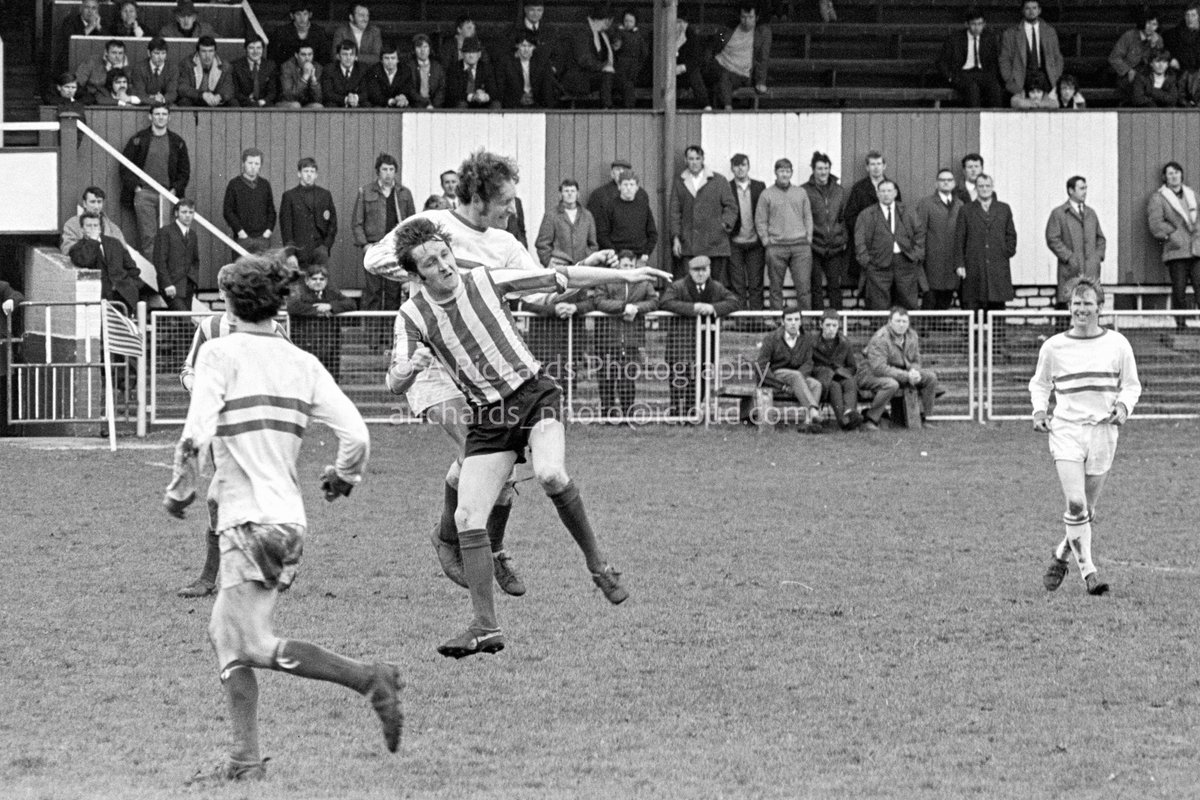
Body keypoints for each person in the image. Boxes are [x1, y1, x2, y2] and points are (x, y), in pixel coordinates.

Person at [383, 216, 670, 657]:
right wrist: (409, 368)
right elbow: (394, 382)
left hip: (534, 395)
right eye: (431, 263)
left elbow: (560, 277)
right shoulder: (412, 316)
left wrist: (627, 276)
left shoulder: (485, 279)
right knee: (467, 518)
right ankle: (485, 626)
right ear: (415, 275)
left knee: (551, 473)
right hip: (489, 416)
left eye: (444, 254)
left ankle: (599, 567)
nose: (444, 265)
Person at [164, 253, 401, 785]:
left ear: (229, 306)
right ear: (278, 306)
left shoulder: (219, 353)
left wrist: (180, 488)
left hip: (247, 521)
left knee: (250, 643)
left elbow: (196, 429)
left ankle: (369, 678)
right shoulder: (302, 362)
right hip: (288, 520)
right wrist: (344, 476)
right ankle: (244, 760)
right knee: (225, 635)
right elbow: (357, 435)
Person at [364, 151, 548, 604]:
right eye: (505, 200)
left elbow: (539, 290)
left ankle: (455, 538)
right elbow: (374, 259)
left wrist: (588, 274)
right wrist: (436, 270)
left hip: (480, 370)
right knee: (479, 454)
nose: (512, 208)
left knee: (494, 464)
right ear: (479, 197)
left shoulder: (506, 243)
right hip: (430, 363)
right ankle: (476, 549)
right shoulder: (431, 225)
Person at [176, 264, 292, 599]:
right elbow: (188, 369)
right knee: (228, 501)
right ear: (221, 293)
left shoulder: (271, 329)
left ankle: (213, 577)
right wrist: (198, 386)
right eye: (229, 292)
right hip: (223, 431)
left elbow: (291, 370)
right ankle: (269, 567)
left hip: (261, 428)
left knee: (224, 497)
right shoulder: (210, 327)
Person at [1030, 276, 1141, 597]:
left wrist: (1123, 407)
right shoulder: (1053, 346)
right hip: (1066, 430)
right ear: (1069, 307)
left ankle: (1061, 555)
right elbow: (1040, 384)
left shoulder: (1117, 344)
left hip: (1103, 432)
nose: (1082, 309)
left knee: (1086, 511)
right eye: (1076, 303)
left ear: (1100, 307)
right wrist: (1039, 411)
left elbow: (1131, 385)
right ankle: (1090, 574)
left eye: (1088, 303)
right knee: (1076, 503)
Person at [659, 255, 740, 418]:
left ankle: (692, 413)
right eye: (696, 270)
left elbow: (734, 301)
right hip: (680, 342)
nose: (700, 274)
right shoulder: (678, 286)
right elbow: (665, 302)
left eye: (704, 270)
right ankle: (676, 413)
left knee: (701, 378)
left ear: (709, 270)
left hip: (705, 343)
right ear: (690, 271)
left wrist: (713, 308)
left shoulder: (716, 287)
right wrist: (693, 308)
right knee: (678, 378)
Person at [353, 152, 415, 332]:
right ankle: (372, 338)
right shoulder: (366, 192)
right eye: (384, 169)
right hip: (374, 247)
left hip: (396, 249)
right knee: (373, 292)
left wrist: (407, 247)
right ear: (377, 171)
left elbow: (412, 222)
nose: (388, 173)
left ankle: (389, 337)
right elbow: (357, 222)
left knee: (393, 293)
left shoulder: (404, 194)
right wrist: (365, 245)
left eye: (391, 169)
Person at [592, 249, 658, 418]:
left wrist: (636, 308)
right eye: (625, 265)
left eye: (631, 265)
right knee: (607, 377)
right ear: (618, 266)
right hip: (608, 338)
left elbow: (654, 301)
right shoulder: (606, 280)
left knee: (628, 378)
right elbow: (599, 301)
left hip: (631, 339)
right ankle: (607, 414)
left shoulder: (643, 282)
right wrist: (622, 308)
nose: (628, 269)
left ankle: (628, 414)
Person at [120, 103, 190, 259]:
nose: (160, 117)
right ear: (150, 117)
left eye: (164, 114)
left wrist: (174, 190)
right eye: (157, 114)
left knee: (170, 238)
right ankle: (153, 273)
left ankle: (167, 272)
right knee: (148, 238)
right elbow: (124, 167)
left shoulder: (177, 142)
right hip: (144, 194)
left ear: (169, 117)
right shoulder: (138, 139)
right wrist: (137, 188)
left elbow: (184, 172)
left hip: (168, 195)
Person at [861, 306, 940, 429]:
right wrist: (907, 376)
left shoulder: (912, 335)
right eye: (898, 321)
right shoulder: (880, 338)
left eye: (904, 321)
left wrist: (914, 371)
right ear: (890, 322)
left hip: (901, 372)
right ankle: (870, 419)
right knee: (891, 384)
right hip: (871, 374)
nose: (901, 325)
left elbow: (916, 360)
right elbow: (879, 368)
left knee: (931, 377)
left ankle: (923, 417)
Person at [669, 144, 737, 281]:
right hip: (689, 243)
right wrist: (676, 238)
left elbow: (731, 206)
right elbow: (675, 212)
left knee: (715, 285)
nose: (694, 162)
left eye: (697, 158)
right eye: (691, 159)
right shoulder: (680, 182)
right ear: (685, 160)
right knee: (690, 283)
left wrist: (724, 225)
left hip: (715, 244)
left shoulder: (719, 180)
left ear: (703, 159)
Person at [854, 179, 924, 311]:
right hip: (877, 265)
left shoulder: (908, 211)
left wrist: (916, 255)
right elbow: (859, 240)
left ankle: (906, 325)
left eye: (889, 191)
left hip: (905, 262)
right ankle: (880, 326)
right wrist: (866, 261)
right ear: (877, 194)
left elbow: (920, 233)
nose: (886, 194)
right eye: (882, 191)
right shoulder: (866, 214)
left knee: (908, 303)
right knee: (878, 305)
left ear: (895, 193)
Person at [1146, 160, 1200, 328]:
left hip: (1196, 249)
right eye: (1170, 173)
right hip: (1176, 252)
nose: (1174, 176)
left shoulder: (1192, 195)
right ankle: (1181, 326)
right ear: (1165, 177)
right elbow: (1156, 224)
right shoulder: (1158, 198)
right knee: (1179, 290)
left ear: (1181, 175)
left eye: (1176, 172)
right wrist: (1173, 234)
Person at [756, 157, 815, 312]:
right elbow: (760, 220)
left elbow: (808, 216)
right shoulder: (766, 194)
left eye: (787, 171)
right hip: (776, 247)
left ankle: (806, 321)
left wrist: (808, 238)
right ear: (775, 172)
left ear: (791, 173)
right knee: (775, 288)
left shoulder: (800, 192)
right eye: (781, 171)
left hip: (800, 247)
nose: (784, 174)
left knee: (804, 288)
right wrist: (766, 241)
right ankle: (777, 320)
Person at [756, 305, 825, 432]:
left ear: (801, 321)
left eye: (796, 319)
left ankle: (808, 423)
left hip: (798, 377)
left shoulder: (807, 338)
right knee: (795, 376)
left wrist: (799, 380)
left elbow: (809, 362)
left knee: (816, 384)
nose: (793, 323)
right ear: (782, 322)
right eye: (789, 320)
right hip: (776, 376)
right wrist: (781, 385)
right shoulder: (771, 338)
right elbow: (761, 366)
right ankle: (813, 411)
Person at [954, 173, 1016, 312]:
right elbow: (959, 239)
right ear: (976, 188)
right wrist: (960, 264)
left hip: (998, 267)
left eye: (987, 186)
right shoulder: (966, 210)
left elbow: (1011, 234)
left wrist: (1006, 252)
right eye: (981, 186)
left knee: (997, 311)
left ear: (992, 187)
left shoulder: (1003, 208)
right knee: (974, 308)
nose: (984, 189)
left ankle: (996, 329)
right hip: (974, 266)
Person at [1045, 176, 1106, 319]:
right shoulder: (1059, 213)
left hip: (1090, 271)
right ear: (1071, 190)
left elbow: (1100, 238)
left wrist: (1097, 257)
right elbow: (1052, 238)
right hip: (1070, 271)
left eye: (1086, 188)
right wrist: (1068, 257)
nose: (1085, 192)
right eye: (1081, 188)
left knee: (1091, 307)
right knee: (1065, 308)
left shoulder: (1091, 213)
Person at [843, 151, 902, 292]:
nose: (876, 167)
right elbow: (850, 216)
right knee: (868, 289)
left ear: (884, 166)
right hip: (867, 245)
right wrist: (866, 233)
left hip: (888, 247)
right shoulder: (859, 189)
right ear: (867, 167)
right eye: (872, 164)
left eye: (879, 164)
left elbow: (899, 215)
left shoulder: (892, 187)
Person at [287, 264, 355, 381]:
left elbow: (351, 304)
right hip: (305, 345)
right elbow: (292, 306)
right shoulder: (300, 293)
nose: (318, 282)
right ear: (307, 281)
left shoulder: (332, 293)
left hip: (329, 347)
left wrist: (330, 306)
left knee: (329, 380)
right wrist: (318, 310)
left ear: (326, 281)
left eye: (321, 279)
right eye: (314, 279)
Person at [68, 212, 146, 314]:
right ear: (82, 229)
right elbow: (86, 260)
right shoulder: (76, 248)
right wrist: (93, 241)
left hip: (124, 295)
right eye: (89, 226)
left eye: (95, 225)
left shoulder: (114, 243)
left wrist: (133, 286)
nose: (93, 228)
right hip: (99, 297)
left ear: (100, 227)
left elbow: (132, 268)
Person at [802, 151, 848, 311]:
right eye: (820, 168)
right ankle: (818, 319)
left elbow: (843, 217)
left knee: (835, 286)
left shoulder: (839, 190)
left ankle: (837, 319)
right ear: (813, 169)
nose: (823, 172)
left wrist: (843, 238)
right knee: (815, 286)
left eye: (826, 168)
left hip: (834, 246)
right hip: (813, 245)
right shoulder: (804, 190)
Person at [914, 168, 965, 310]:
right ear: (936, 183)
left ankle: (940, 323)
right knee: (930, 299)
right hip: (932, 261)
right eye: (942, 180)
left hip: (952, 261)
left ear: (954, 184)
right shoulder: (926, 203)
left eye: (949, 180)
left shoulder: (960, 205)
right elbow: (920, 232)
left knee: (945, 300)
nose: (946, 183)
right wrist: (920, 256)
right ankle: (925, 325)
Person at [937, 7, 1003, 108]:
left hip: (983, 74)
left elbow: (994, 61)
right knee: (972, 89)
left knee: (995, 87)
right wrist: (950, 78)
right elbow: (941, 62)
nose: (977, 27)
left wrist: (991, 76)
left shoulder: (990, 38)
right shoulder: (954, 39)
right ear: (966, 24)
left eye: (980, 24)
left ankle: (996, 117)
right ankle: (974, 117)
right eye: (973, 24)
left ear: (984, 24)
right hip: (962, 74)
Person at [710, 4, 771, 110]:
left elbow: (762, 58)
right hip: (719, 64)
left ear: (756, 18)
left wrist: (760, 81)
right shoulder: (729, 28)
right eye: (743, 17)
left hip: (741, 73)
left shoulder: (762, 33)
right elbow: (718, 40)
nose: (746, 21)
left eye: (750, 17)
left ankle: (727, 108)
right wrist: (720, 35)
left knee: (724, 78)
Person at [999, 0, 1063, 100]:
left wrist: (1056, 77)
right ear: (1023, 11)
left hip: (1045, 76)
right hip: (1021, 77)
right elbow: (1004, 60)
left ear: (1039, 10)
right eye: (1028, 8)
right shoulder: (1010, 34)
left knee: (1050, 104)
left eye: (1034, 8)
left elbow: (1057, 57)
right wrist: (1009, 79)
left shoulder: (1050, 32)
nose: (1031, 11)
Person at [280, 157, 337, 266]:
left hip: (320, 251)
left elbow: (332, 224)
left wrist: (325, 246)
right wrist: (290, 254)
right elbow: (286, 228)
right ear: (299, 174)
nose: (309, 174)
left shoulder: (325, 195)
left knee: (320, 277)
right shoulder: (289, 196)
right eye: (306, 171)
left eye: (312, 171)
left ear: (316, 175)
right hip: (298, 252)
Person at [812, 308, 863, 431]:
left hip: (842, 376)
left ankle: (849, 413)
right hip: (823, 379)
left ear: (838, 326)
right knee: (834, 386)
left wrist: (841, 372)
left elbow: (852, 367)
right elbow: (809, 365)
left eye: (834, 325)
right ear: (821, 325)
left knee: (850, 382)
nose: (831, 329)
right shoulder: (812, 343)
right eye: (828, 325)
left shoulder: (844, 342)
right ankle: (843, 421)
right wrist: (827, 372)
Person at [727, 154, 766, 313]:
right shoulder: (727, 187)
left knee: (756, 283)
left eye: (743, 165)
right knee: (737, 284)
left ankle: (756, 319)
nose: (740, 169)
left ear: (748, 167)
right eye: (736, 165)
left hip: (755, 242)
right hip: (735, 242)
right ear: (732, 168)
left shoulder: (759, 186)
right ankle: (740, 319)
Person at [561, 4, 617, 108]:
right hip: (577, 78)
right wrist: (603, 67)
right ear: (607, 20)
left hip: (589, 76)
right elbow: (583, 59)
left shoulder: (599, 33)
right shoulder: (582, 31)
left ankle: (609, 106)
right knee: (607, 75)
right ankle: (607, 107)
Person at [594, 169, 656, 264]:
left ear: (637, 187)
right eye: (625, 184)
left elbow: (653, 234)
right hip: (616, 258)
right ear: (619, 186)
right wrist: (615, 253)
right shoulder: (609, 207)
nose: (628, 188)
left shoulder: (644, 207)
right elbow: (602, 234)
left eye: (632, 184)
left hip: (639, 258)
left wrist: (646, 253)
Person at [223, 148, 277, 256]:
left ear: (260, 165)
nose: (253, 167)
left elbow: (271, 211)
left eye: (257, 163)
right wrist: (240, 232)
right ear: (243, 163)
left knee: (262, 267)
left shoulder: (265, 185)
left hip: (262, 240)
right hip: (242, 239)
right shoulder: (234, 184)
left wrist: (268, 232)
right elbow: (228, 211)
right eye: (250, 163)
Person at [536, 179, 597, 268]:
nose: (570, 194)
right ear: (560, 194)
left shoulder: (587, 216)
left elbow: (593, 244)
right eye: (566, 191)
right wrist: (548, 262)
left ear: (578, 194)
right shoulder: (552, 215)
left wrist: (587, 261)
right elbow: (542, 243)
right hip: (559, 266)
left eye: (573, 191)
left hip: (582, 267)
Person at [153, 198, 200, 312]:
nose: (187, 215)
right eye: (184, 212)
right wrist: (167, 284)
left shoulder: (192, 235)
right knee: (184, 319)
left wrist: (193, 279)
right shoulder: (166, 232)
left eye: (191, 212)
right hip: (171, 285)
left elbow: (195, 260)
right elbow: (159, 260)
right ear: (176, 213)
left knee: (183, 319)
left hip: (188, 286)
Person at [1109, 7, 1165, 96]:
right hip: (1127, 76)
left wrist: (1153, 46)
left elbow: (1159, 61)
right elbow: (1114, 58)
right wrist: (1128, 70)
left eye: (1154, 24)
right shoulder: (1129, 36)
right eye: (1148, 23)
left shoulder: (1158, 39)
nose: (1150, 27)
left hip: (1149, 77)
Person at [61, 186, 128, 255]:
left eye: (99, 202)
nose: (96, 206)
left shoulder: (113, 228)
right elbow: (67, 250)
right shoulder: (72, 225)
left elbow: (124, 252)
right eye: (92, 202)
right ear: (84, 203)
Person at [499, 31, 556, 108]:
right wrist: (519, 97)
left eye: (530, 46)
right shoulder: (507, 63)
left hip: (537, 104)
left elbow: (547, 89)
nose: (526, 49)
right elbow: (503, 88)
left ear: (534, 47)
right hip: (513, 105)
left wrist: (534, 97)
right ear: (517, 46)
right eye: (523, 46)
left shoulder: (542, 62)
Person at [270, 0, 332, 67]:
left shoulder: (319, 32)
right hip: (287, 70)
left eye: (305, 14)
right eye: (298, 14)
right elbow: (275, 57)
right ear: (292, 15)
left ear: (310, 15)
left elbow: (325, 58)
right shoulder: (282, 32)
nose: (302, 18)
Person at [177, 36, 235, 107]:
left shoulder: (225, 66)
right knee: (184, 101)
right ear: (198, 52)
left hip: (215, 100)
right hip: (195, 99)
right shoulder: (187, 64)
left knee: (232, 102)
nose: (207, 56)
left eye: (211, 51)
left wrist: (220, 96)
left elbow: (229, 88)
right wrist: (202, 95)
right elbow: (182, 88)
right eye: (204, 51)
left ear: (215, 52)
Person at [446, 36, 500, 109]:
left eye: (474, 52)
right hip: (463, 103)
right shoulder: (454, 69)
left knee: (496, 104)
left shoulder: (486, 68)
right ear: (462, 54)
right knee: (461, 104)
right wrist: (472, 97)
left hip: (482, 104)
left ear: (479, 54)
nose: (471, 55)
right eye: (468, 52)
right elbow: (453, 93)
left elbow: (494, 91)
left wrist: (485, 96)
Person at [75, 39, 130, 105]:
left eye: (120, 53)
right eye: (114, 53)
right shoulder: (92, 62)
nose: (117, 56)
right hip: (92, 100)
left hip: (116, 100)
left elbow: (129, 87)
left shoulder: (125, 67)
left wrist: (122, 69)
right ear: (106, 52)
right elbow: (78, 83)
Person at [231, 35, 279, 107]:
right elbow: (235, 92)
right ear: (246, 49)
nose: (255, 51)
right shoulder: (236, 66)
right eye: (251, 48)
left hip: (264, 104)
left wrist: (263, 101)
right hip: (243, 104)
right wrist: (248, 101)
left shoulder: (270, 66)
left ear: (263, 49)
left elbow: (272, 92)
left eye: (258, 48)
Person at [130, 37, 179, 106]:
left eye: (163, 53)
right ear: (149, 53)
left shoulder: (172, 68)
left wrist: (163, 99)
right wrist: (154, 99)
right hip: (145, 104)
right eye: (157, 53)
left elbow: (172, 92)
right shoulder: (139, 68)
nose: (160, 57)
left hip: (165, 104)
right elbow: (140, 93)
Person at [1167, 3, 1200, 104]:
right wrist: (1171, 59)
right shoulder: (1174, 34)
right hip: (1180, 69)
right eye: (1187, 15)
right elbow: (1165, 51)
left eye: (1193, 15)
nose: (1190, 19)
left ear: (1199, 17)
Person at [363, 40, 411, 108]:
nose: (390, 61)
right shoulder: (373, 71)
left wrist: (403, 96)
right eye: (386, 58)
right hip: (380, 106)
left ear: (398, 60)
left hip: (401, 104)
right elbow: (374, 95)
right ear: (381, 60)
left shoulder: (405, 71)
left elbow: (408, 90)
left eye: (393, 58)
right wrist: (392, 101)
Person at [323, 39, 370, 108]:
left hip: (357, 103)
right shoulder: (329, 69)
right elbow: (328, 93)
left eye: (351, 54)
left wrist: (356, 97)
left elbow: (367, 92)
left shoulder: (363, 69)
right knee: (330, 105)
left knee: (366, 105)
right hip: (338, 103)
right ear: (338, 56)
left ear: (356, 57)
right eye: (345, 54)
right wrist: (346, 99)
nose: (348, 58)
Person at [404, 33, 445, 108]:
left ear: (429, 48)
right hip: (415, 106)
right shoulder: (409, 67)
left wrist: (433, 105)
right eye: (419, 47)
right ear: (414, 49)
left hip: (435, 107)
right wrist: (426, 104)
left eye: (425, 47)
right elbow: (410, 90)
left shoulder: (437, 67)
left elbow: (441, 89)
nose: (422, 50)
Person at [278, 43, 324, 108]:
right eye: (303, 55)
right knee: (296, 105)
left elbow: (318, 99)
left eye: (310, 54)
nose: (307, 58)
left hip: (306, 103)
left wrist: (313, 81)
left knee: (318, 107)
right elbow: (289, 96)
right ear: (296, 55)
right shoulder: (287, 67)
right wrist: (304, 78)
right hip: (287, 103)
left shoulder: (318, 67)